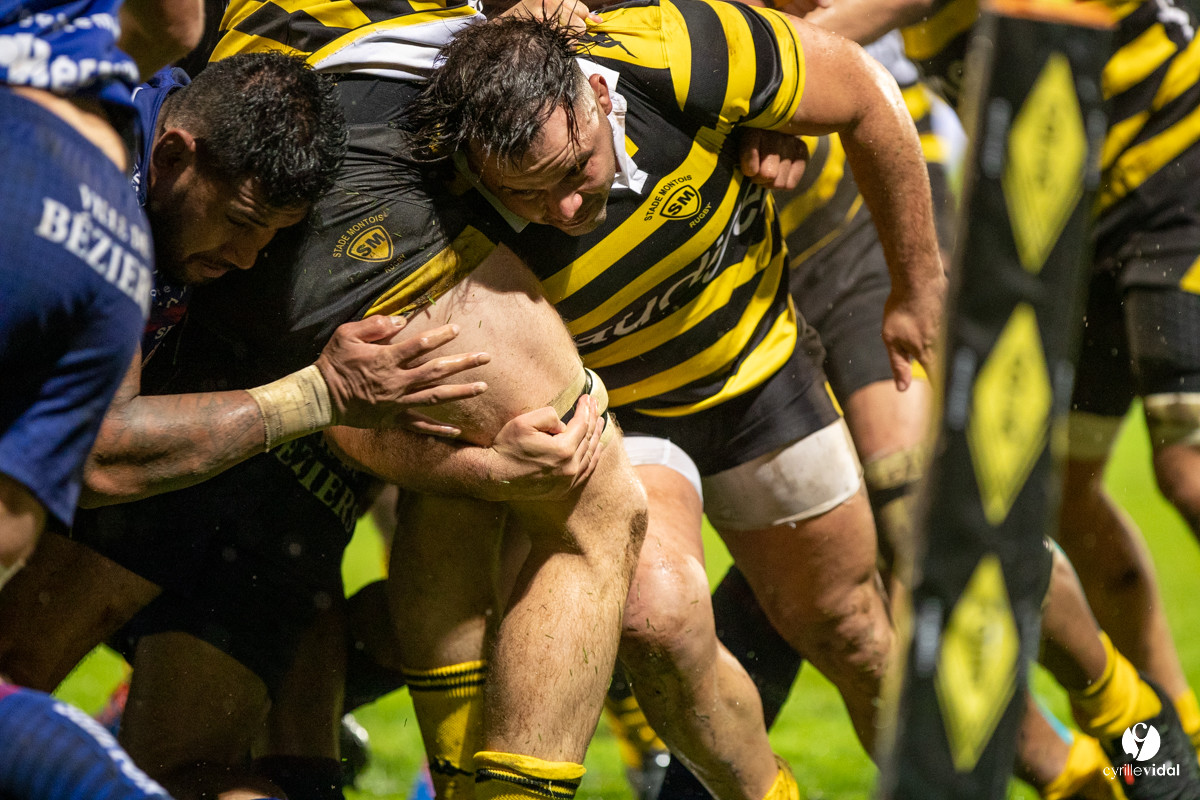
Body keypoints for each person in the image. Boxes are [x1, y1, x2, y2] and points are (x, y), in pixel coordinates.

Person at [395, 7, 944, 799]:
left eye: (576, 169)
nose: (570, 211)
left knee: (853, 632)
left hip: (759, 372)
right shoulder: (437, 199)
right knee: (654, 616)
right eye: (530, 193)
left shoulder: (674, 49)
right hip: (622, 415)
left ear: (594, 92)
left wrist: (917, 283)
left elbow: (862, 89)